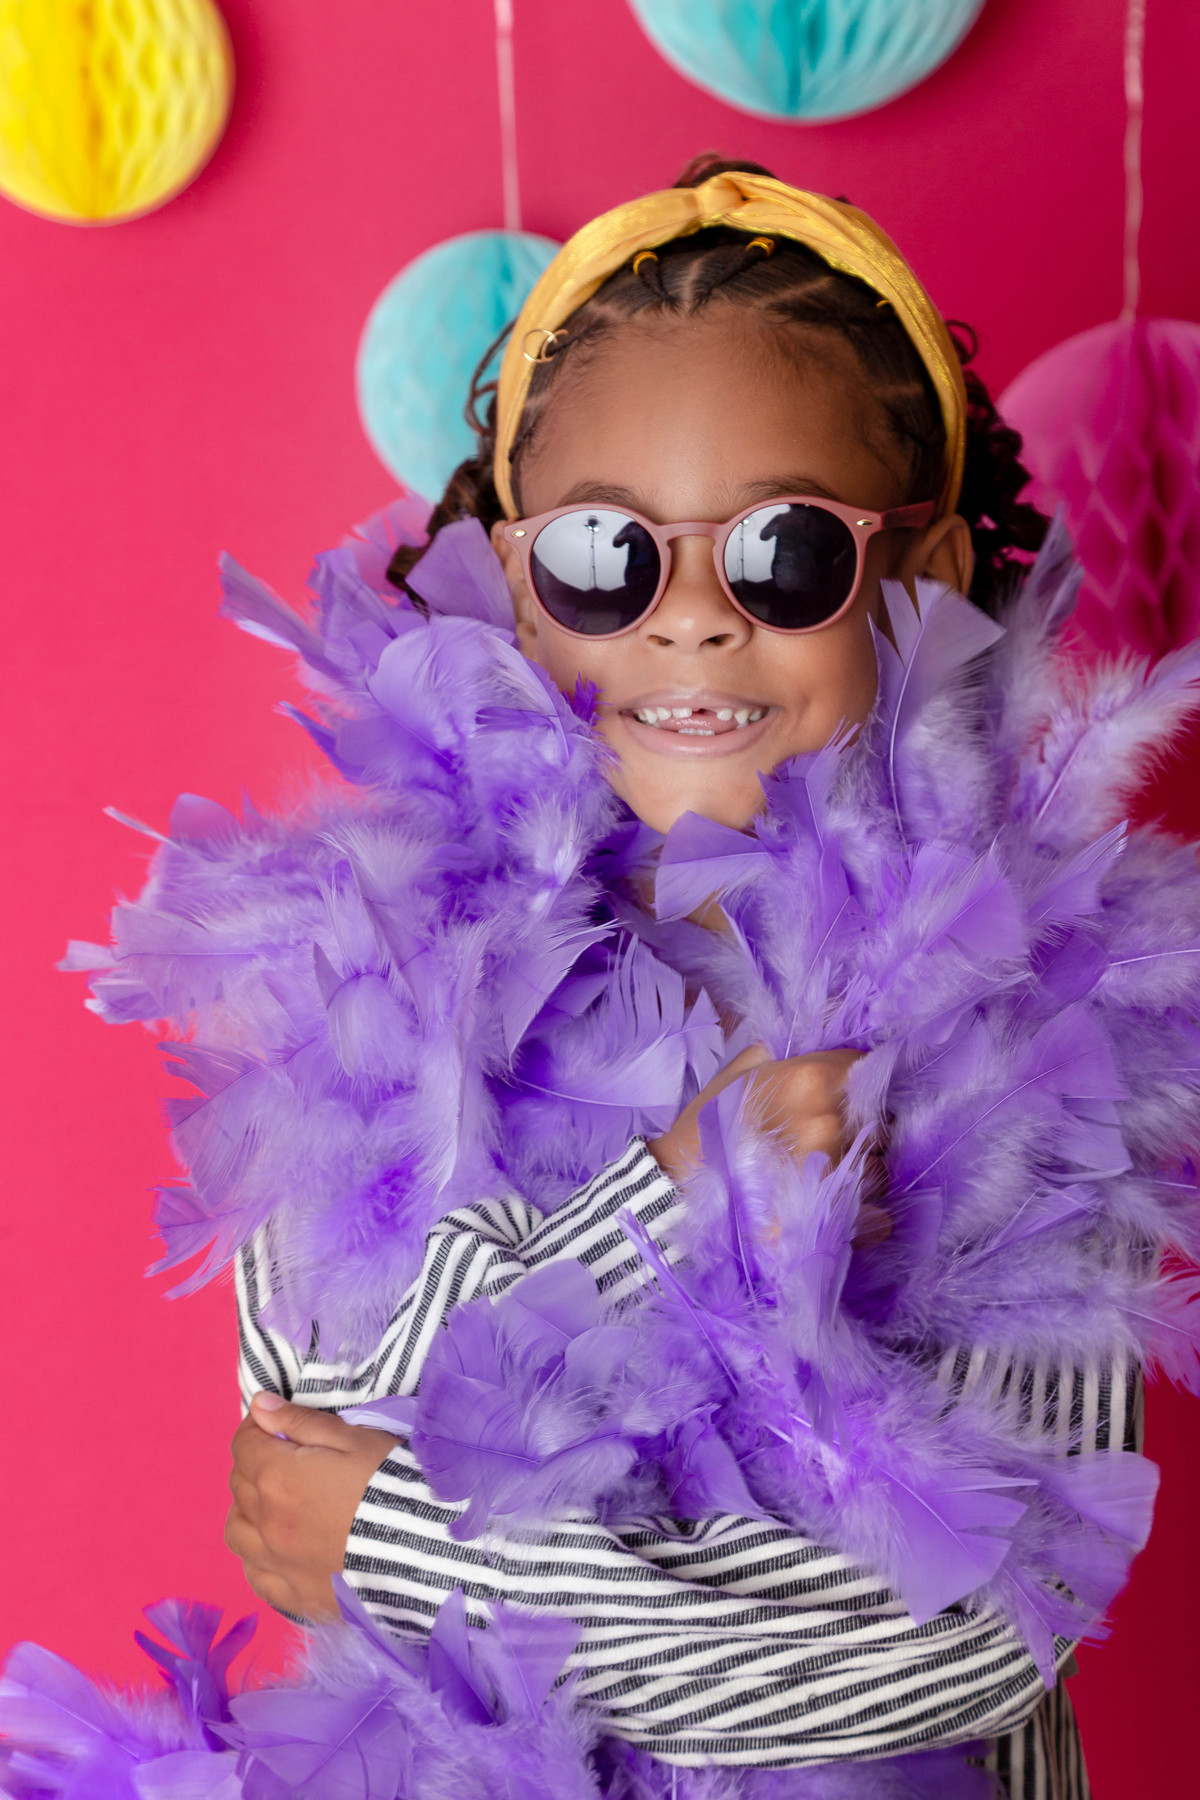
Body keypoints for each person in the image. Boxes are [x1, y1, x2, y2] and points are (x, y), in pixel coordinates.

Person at [8, 159, 1198, 1800]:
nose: (691, 619)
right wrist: (668, 1204)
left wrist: (418, 1553)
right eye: (604, 552)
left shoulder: (1031, 1028)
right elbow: (309, 1457)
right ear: (515, 583)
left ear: (922, 572)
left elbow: (963, 1642)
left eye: (786, 551)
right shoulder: (386, 979)